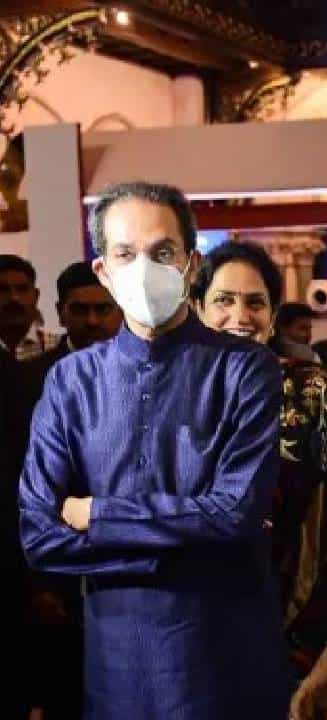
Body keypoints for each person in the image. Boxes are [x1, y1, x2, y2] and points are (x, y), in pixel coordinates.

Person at [17, 181, 291, 719]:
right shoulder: (71, 381)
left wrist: (99, 515)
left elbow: (236, 512)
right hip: (116, 665)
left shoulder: (244, 369)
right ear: (103, 271)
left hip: (226, 660)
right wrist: (183, 540)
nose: (144, 270)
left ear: (191, 264)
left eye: (162, 253)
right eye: (125, 254)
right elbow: (40, 537)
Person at [190, 242, 327, 720]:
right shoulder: (171, 394)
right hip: (187, 633)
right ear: (197, 308)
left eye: (255, 303)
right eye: (224, 300)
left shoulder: (311, 392)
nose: (240, 315)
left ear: (273, 317)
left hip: (289, 631)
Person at [10, 261, 121, 720]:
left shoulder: (146, 374)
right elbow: (16, 482)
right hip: (54, 568)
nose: (92, 321)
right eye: (80, 310)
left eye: (103, 309)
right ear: (59, 312)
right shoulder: (25, 380)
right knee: (66, 692)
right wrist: (39, 580)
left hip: (129, 557)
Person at [0, 254, 61, 360]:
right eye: (3, 289)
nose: (14, 298)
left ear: (36, 296)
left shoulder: (59, 348)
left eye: (22, 289)